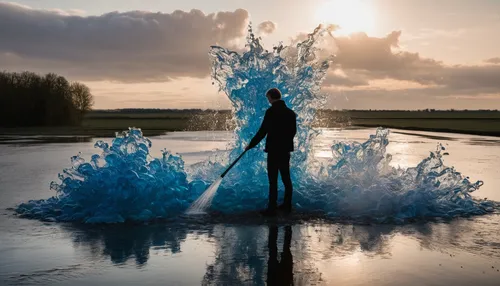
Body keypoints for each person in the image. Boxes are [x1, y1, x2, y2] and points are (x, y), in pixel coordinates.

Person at [245, 88, 297, 216]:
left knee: (273, 180)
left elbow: (263, 131)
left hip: (274, 150)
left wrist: (251, 145)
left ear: (271, 97)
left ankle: (271, 208)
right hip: (285, 150)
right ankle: (287, 205)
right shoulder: (290, 113)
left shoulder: (271, 111)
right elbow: (293, 132)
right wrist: (285, 142)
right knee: (286, 178)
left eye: (268, 98)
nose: (268, 100)